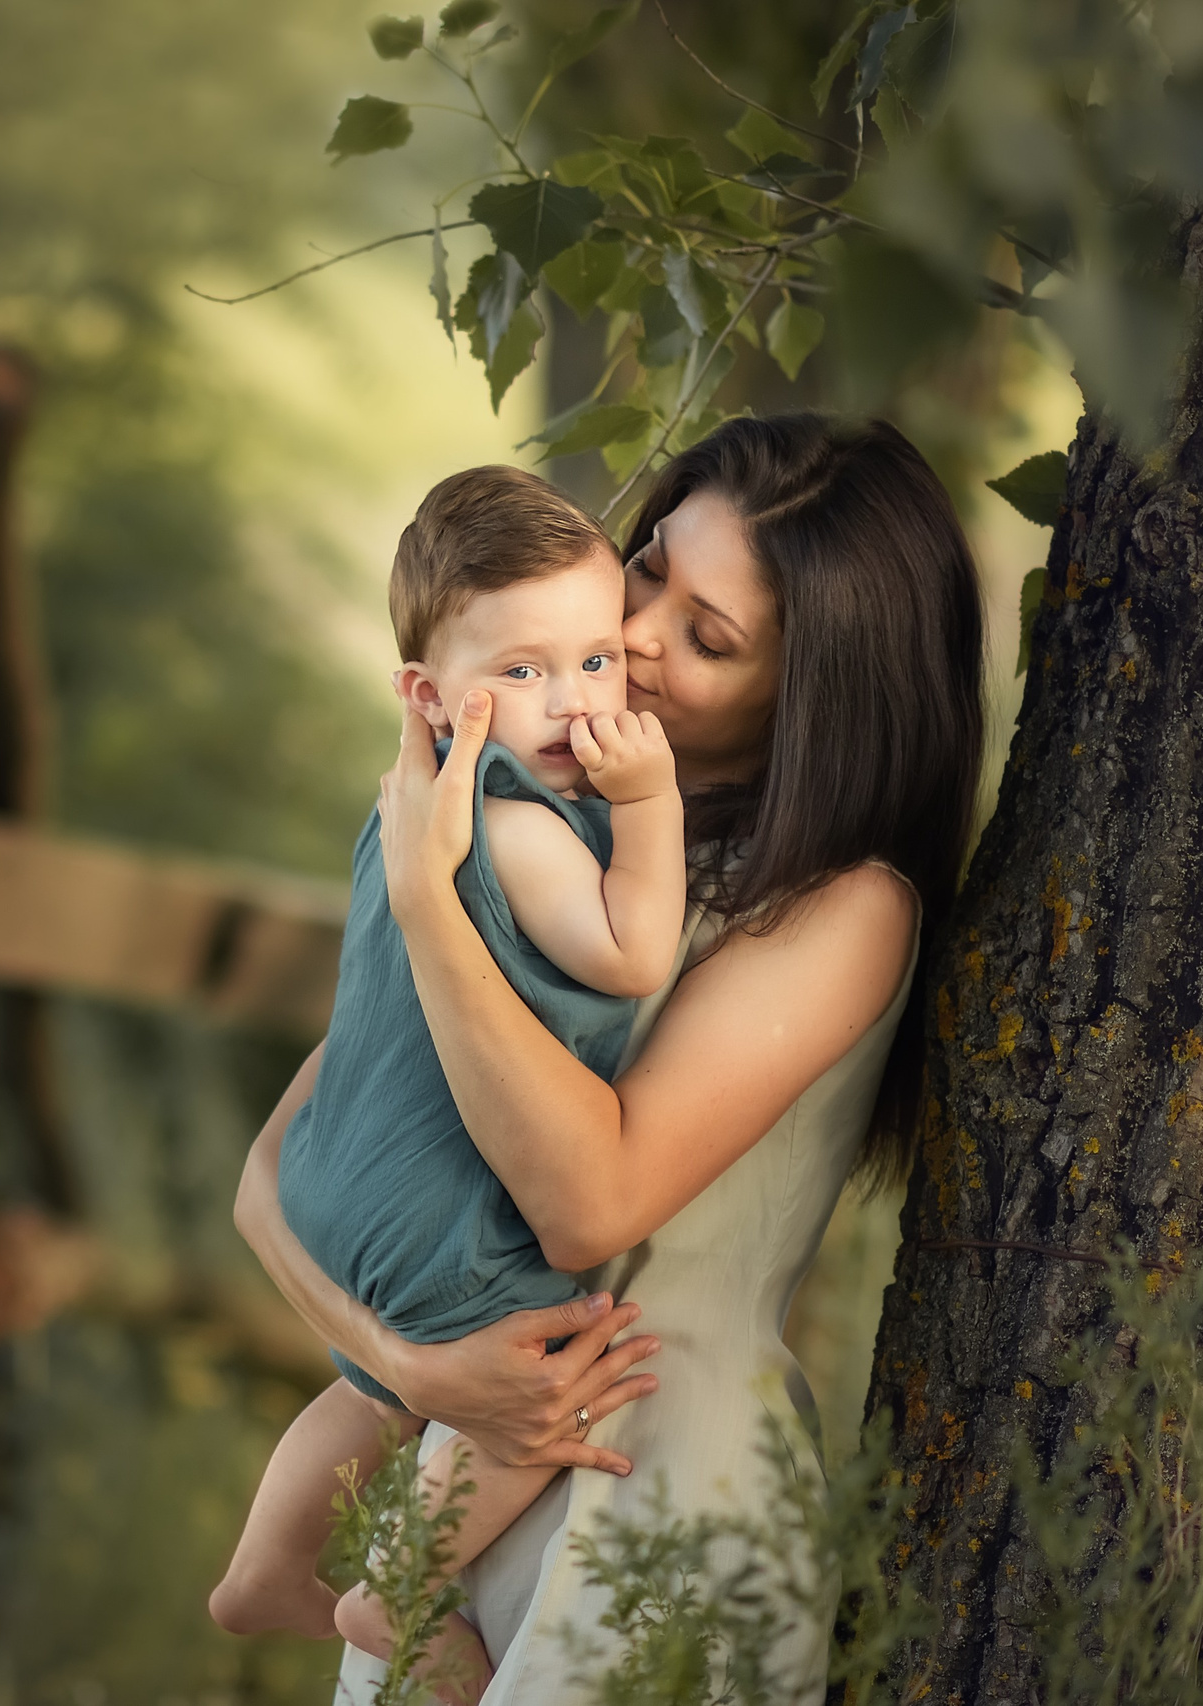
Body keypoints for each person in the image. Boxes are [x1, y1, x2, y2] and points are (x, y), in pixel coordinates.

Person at [234, 415, 985, 1702]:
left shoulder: (837, 909)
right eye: (648, 567)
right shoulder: (532, 830)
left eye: (708, 636)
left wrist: (427, 905)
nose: (633, 636)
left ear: (814, 688)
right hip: (464, 1473)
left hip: (660, 1485)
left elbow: (589, 1200)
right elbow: (272, 1174)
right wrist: (407, 1364)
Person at [206, 465, 688, 1698]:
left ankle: (264, 1569)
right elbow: (632, 952)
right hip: (436, 1214)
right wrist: (650, 798)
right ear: (428, 694)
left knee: (369, 1388)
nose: (573, 705)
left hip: (337, 1161)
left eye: (594, 660)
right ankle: (396, 1585)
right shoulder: (524, 826)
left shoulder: (412, 802)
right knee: (524, 1389)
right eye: (519, 673)